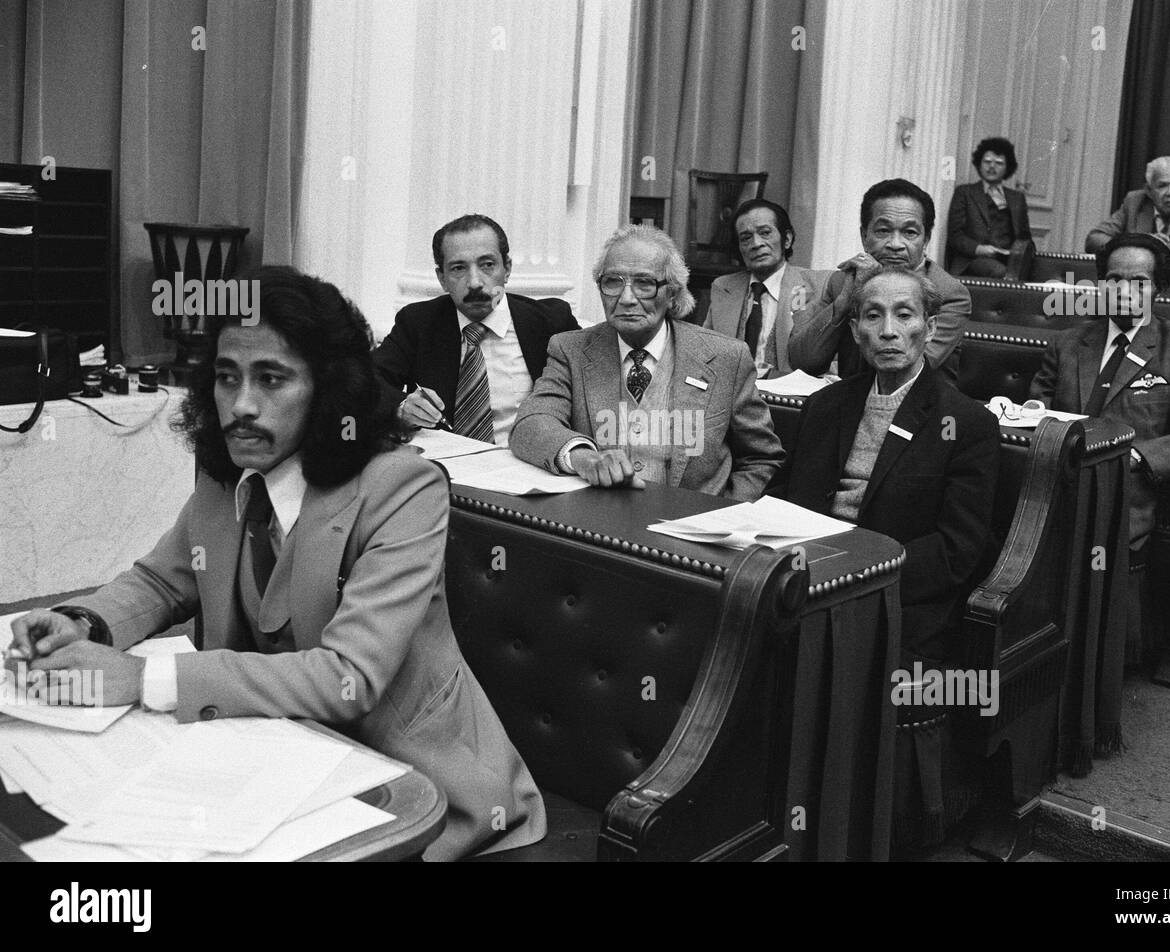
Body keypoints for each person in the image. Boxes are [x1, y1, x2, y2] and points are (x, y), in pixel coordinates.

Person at [6, 266, 545, 861]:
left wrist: (138, 679)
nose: (242, 406)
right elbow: (163, 580)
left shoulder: (403, 489)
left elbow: (350, 676)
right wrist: (83, 621)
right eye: (226, 377)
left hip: (419, 796)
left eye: (272, 379)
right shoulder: (226, 477)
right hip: (272, 763)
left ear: (328, 389)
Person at [767, 266, 1000, 852]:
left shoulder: (966, 422)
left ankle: (847, 833)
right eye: (873, 315)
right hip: (810, 579)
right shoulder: (828, 406)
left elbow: (957, 550)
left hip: (900, 600)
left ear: (927, 327)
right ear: (855, 328)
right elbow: (798, 507)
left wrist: (858, 575)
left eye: (905, 315)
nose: (889, 331)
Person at [510, 224, 784, 499]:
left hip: (690, 532)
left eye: (645, 283)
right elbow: (531, 424)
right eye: (613, 282)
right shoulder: (571, 349)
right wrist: (584, 458)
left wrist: (722, 514)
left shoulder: (726, 358)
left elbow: (761, 458)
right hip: (597, 527)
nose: (627, 299)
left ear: (673, 293)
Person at [1029, 233, 1170, 545]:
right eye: (1113, 279)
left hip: (1124, 497)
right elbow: (1036, 412)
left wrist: (1137, 458)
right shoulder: (1065, 343)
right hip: (1051, 485)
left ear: (1159, 288)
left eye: (1138, 282)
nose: (1123, 291)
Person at [373, 213, 578, 445]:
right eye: (458, 268)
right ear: (441, 278)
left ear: (507, 268)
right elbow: (367, 380)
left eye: (487, 265)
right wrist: (401, 408)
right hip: (446, 469)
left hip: (530, 466)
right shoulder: (418, 322)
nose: (475, 283)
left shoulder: (551, 322)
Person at [787, 178, 970, 382]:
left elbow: (901, 371)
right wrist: (845, 300)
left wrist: (877, 285)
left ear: (925, 240)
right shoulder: (843, 283)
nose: (895, 244)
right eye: (883, 231)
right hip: (850, 403)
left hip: (923, 409)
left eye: (910, 232)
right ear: (864, 236)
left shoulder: (951, 294)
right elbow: (801, 362)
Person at [702, 198, 827, 378]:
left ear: (787, 239)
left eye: (765, 233)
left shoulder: (812, 286)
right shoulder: (724, 287)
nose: (756, 244)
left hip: (786, 397)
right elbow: (706, 353)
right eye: (746, 238)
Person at [946, 136, 1035, 278]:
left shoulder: (1016, 198)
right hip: (973, 259)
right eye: (987, 162)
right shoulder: (964, 192)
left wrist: (1020, 255)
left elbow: (1025, 238)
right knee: (1000, 272)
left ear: (1007, 168)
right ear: (979, 164)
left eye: (999, 163)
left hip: (1009, 260)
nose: (992, 166)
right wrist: (979, 249)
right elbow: (955, 236)